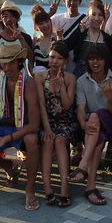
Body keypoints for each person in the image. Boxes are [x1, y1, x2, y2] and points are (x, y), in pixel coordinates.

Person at [0, 42, 41, 210]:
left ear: (19, 62)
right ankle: (8, 167)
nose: (6, 67)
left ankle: (30, 189)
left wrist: (6, 138)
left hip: (23, 127)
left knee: (32, 141)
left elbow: (34, 125)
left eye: (11, 62)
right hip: (2, 124)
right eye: (3, 63)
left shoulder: (29, 83)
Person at [70, 44, 112, 205]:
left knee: (95, 115)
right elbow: (80, 108)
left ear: (106, 61)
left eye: (99, 59)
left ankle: (83, 165)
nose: (95, 62)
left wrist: (108, 95)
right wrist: (83, 124)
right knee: (97, 140)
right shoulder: (82, 81)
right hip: (92, 128)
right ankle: (90, 188)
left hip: (110, 122)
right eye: (92, 59)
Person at [35, 42, 78, 208]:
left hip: (66, 121)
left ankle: (65, 189)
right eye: (52, 57)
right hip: (47, 120)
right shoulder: (40, 77)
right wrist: (46, 128)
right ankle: (47, 188)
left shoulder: (70, 78)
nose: (55, 61)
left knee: (60, 140)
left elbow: (67, 106)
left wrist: (61, 85)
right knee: (47, 141)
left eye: (59, 58)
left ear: (65, 61)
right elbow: (41, 105)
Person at [65, 0, 112, 79]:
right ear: (88, 15)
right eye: (93, 14)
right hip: (80, 79)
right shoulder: (81, 34)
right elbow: (65, 47)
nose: (96, 18)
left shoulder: (107, 38)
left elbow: (110, 62)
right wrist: (79, 31)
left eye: (100, 15)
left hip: (101, 81)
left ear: (103, 17)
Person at [0, 0, 34, 72]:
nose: (9, 19)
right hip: (2, 74)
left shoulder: (25, 37)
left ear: (17, 18)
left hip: (21, 74)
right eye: (5, 16)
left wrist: (21, 39)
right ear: (1, 19)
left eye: (12, 16)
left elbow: (31, 58)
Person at [51, 0, 86, 73]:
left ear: (80, 1)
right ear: (64, 1)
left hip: (78, 65)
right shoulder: (57, 18)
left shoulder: (85, 20)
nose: (72, 2)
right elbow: (39, 26)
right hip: (59, 66)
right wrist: (51, 13)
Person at [30, 4, 55, 74]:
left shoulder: (55, 38)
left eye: (47, 22)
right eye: (41, 23)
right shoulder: (35, 40)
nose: (45, 25)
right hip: (38, 77)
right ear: (36, 26)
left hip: (53, 76)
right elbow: (31, 61)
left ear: (50, 21)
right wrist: (32, 74)